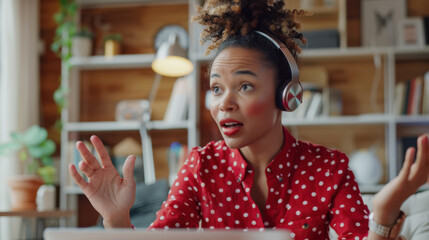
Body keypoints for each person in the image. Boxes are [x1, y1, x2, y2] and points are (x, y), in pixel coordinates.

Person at [68, 1, 429, 239]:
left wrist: (382, 212)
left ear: (286, 94)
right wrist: (116, 219)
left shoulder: (329, 169)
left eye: (244, 85)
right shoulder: (200, 167)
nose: (224, 103)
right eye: (216, 88)